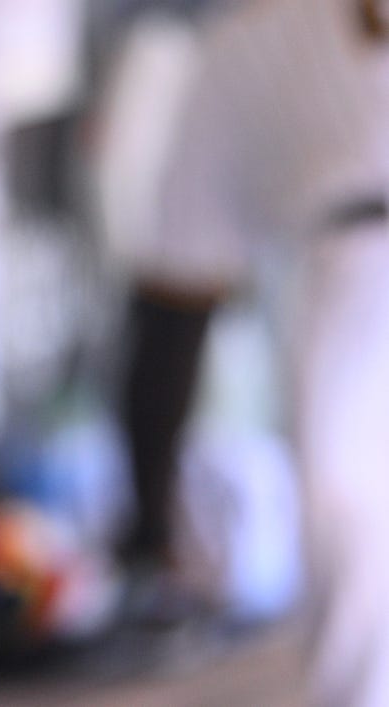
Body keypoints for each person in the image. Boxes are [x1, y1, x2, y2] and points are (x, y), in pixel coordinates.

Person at [95, 0, 389, 703]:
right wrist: (150, 523)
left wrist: (147, 527)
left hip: (349, 284)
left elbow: (173, 307)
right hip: (351, 276)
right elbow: (176, 297)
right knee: (359, 573)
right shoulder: (245, 49)